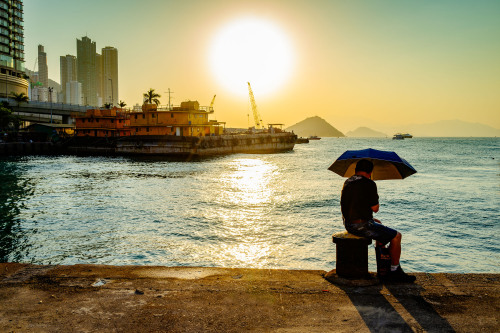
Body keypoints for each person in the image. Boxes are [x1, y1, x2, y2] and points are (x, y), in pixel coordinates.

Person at [340, 159, 416, 283]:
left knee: (378, 225)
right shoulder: (369, 184)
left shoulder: (347, 182)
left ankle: (383, 268)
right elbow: (375, 209)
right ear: (370, 172)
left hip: (349, 224)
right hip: (360, 225)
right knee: (396, 236)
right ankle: (394, 270)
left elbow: (350, 205)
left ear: (355, 170)